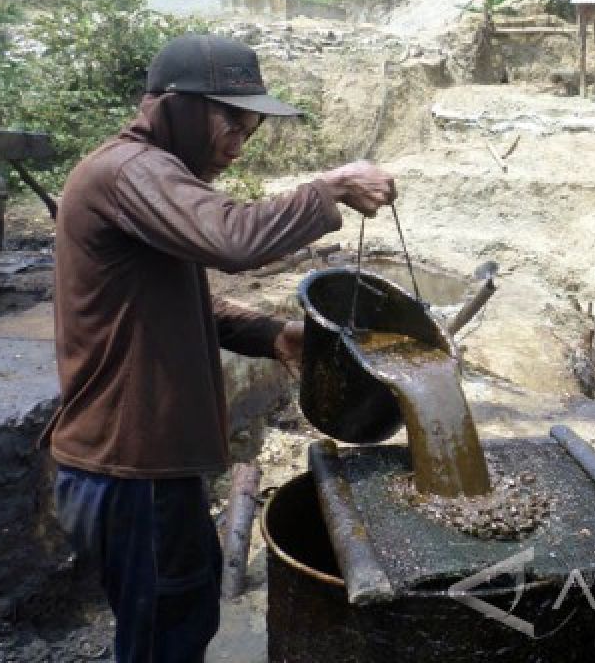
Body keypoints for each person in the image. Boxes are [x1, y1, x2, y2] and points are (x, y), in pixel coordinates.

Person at [42, 33, 396, 662]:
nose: (242, 136)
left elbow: (176, 302)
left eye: (254, 123)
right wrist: (330, 188)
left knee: (182, 611)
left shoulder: (149, 176)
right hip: (130, 465)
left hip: (143, 469)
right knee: (164, 640)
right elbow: (232, 238)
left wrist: (271, 335)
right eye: (232, 117)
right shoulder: (133, 169)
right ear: (173, 105)